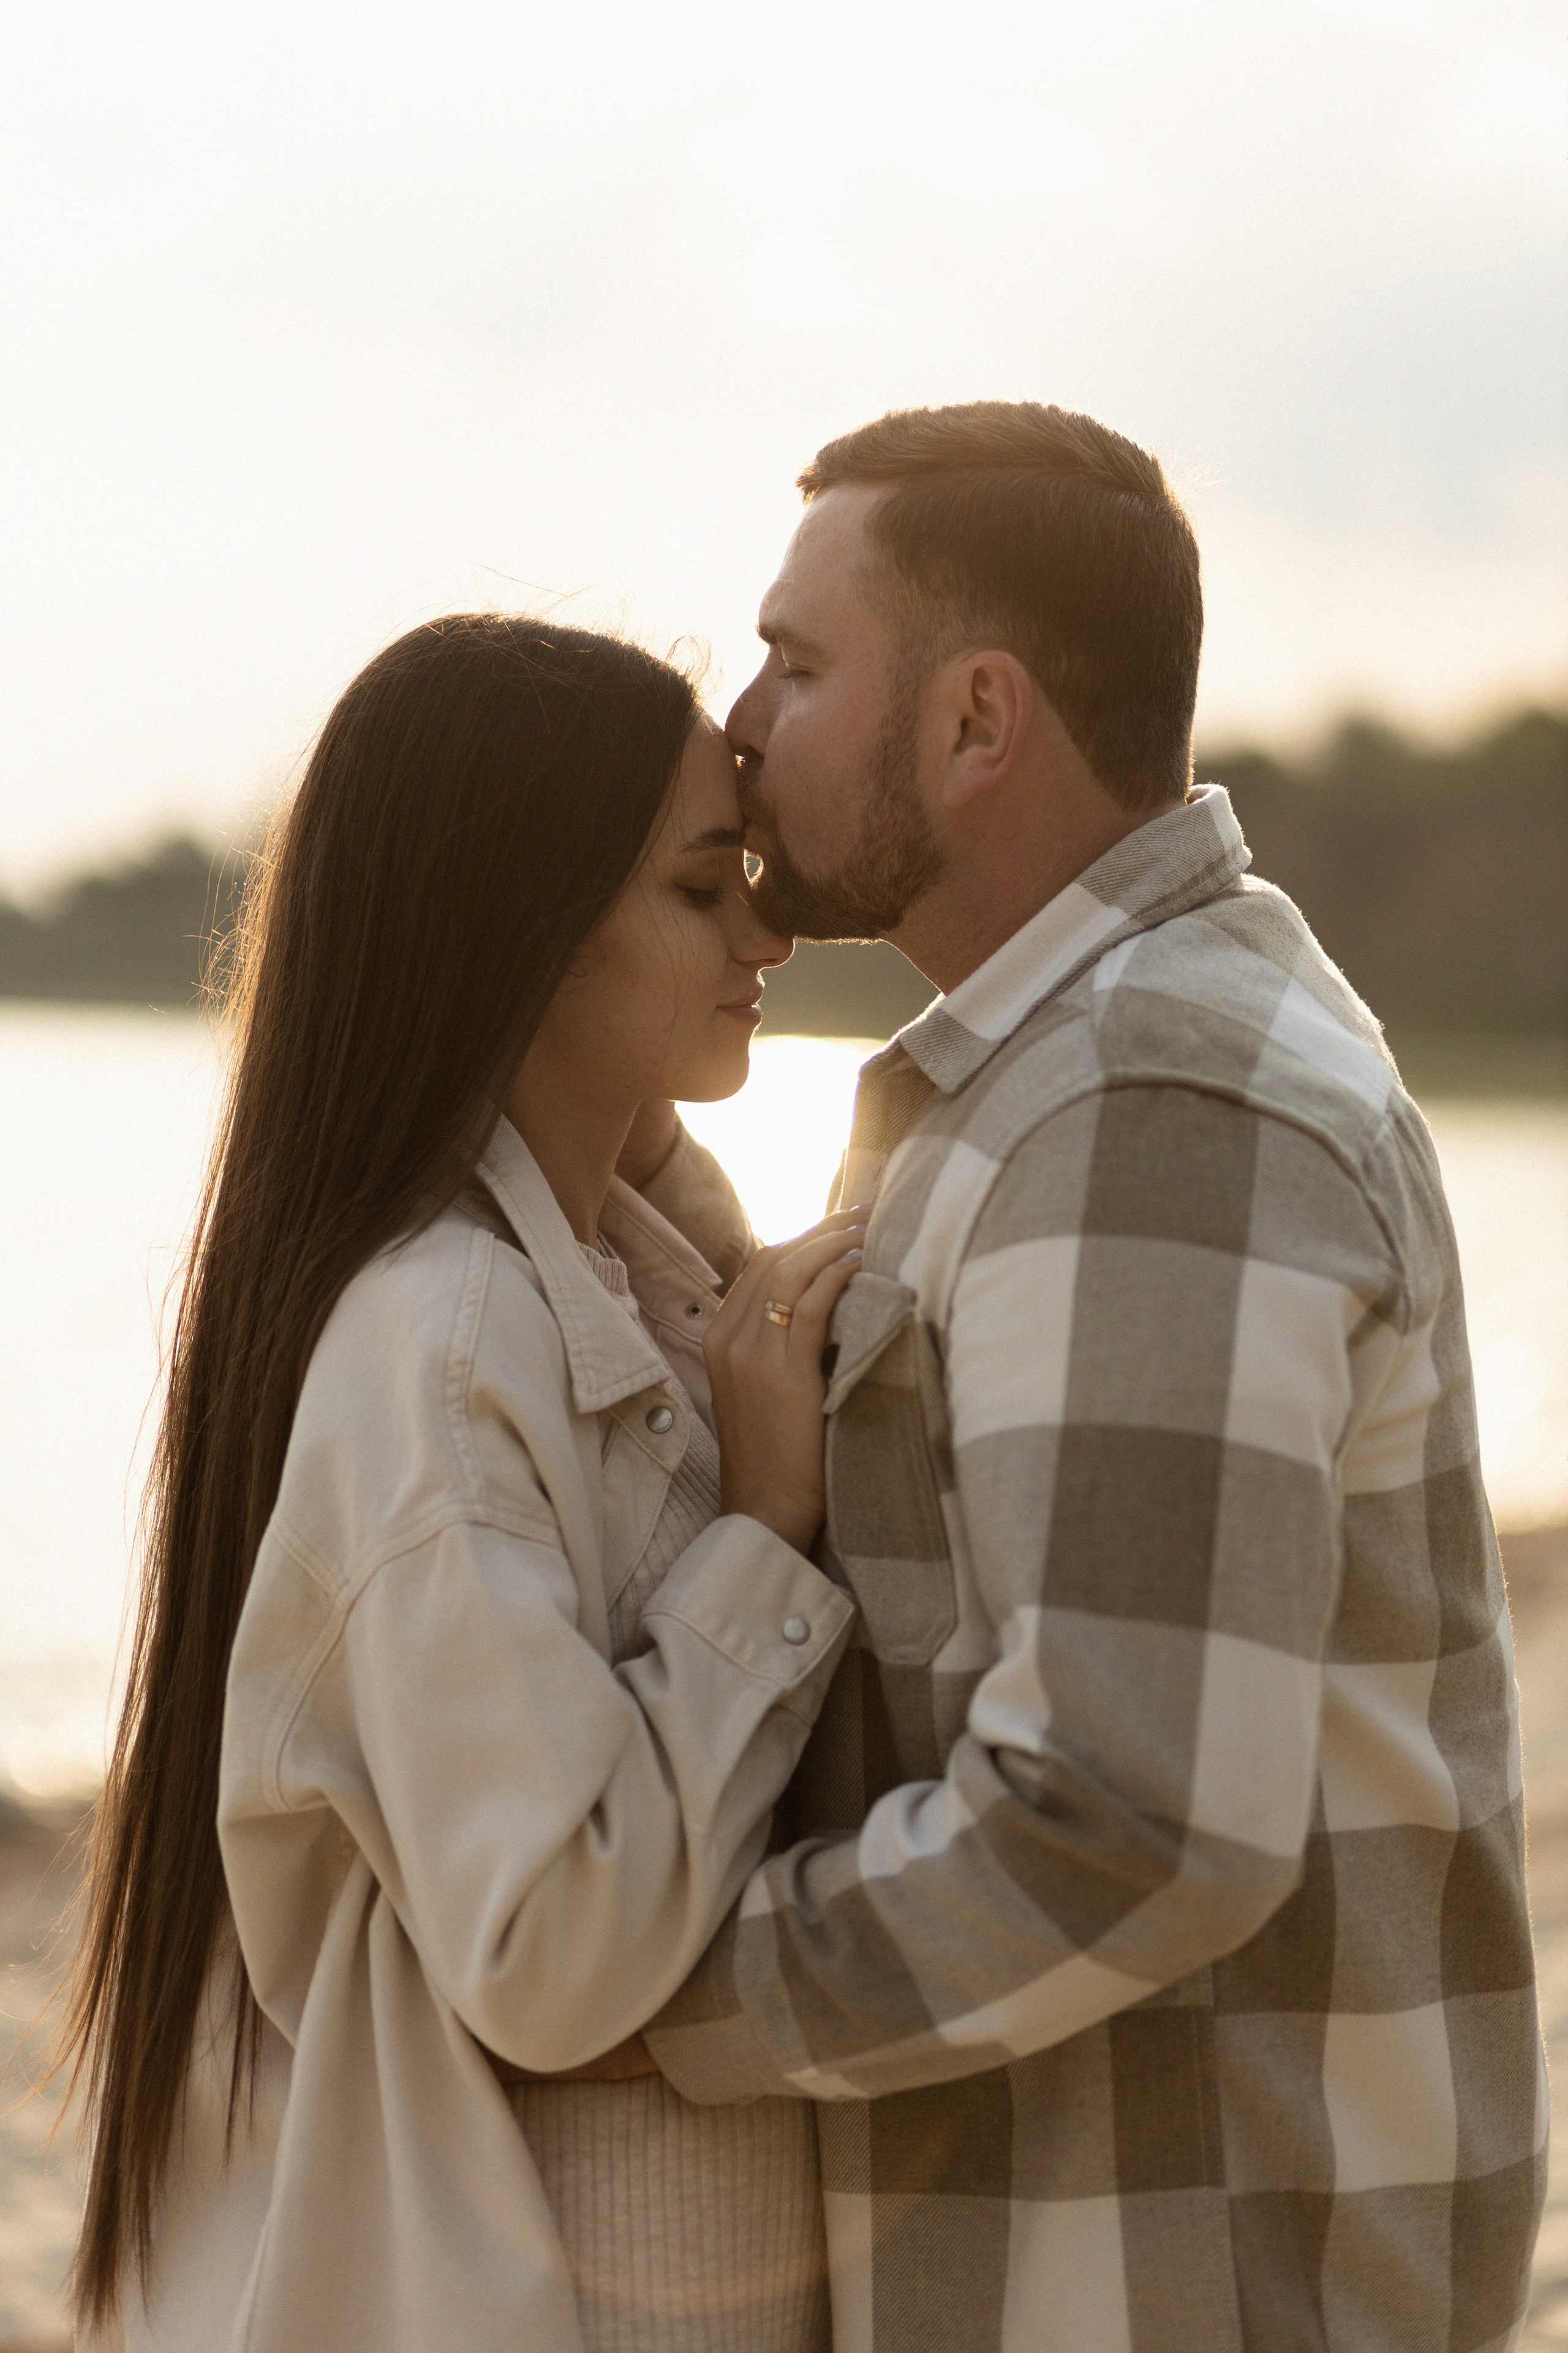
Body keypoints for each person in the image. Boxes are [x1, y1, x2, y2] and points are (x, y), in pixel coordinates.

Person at [639, 403, 1547, 2351]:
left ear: (977, 724)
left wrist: (659, 1995)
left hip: (1183, 2292)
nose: (740, 725)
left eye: (799, 666)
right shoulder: (1070, 1068)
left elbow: (1124, 1812)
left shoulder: (1151, 1099)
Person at [62, 615, 868, 2353]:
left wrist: (671, 1186)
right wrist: (760, 1538)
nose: (770, 930)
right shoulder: (438, 1340)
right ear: (530, 933)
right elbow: (554, 1938)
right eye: (703, 885)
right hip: (552, 2289)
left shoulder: (580, 1287)